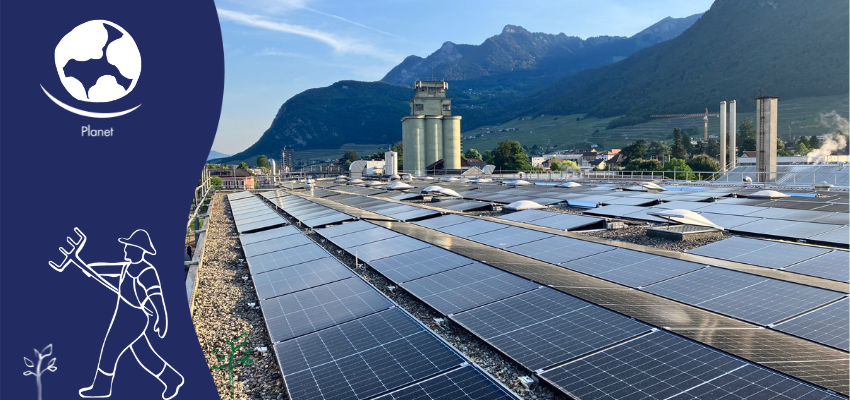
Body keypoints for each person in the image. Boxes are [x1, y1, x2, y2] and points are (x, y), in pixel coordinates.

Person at [78, 229, 183, 399]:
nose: (125, 249)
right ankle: (172, 378)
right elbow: (108, 268)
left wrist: (162, 318)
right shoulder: (127, 267)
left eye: (129, 246)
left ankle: (102, 387)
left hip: (134, 318)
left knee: (109, 351)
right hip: (122, 316)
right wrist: (89, 267)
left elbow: (156, 296)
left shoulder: (147, 272)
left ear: (138, 249)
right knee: (144, 354)